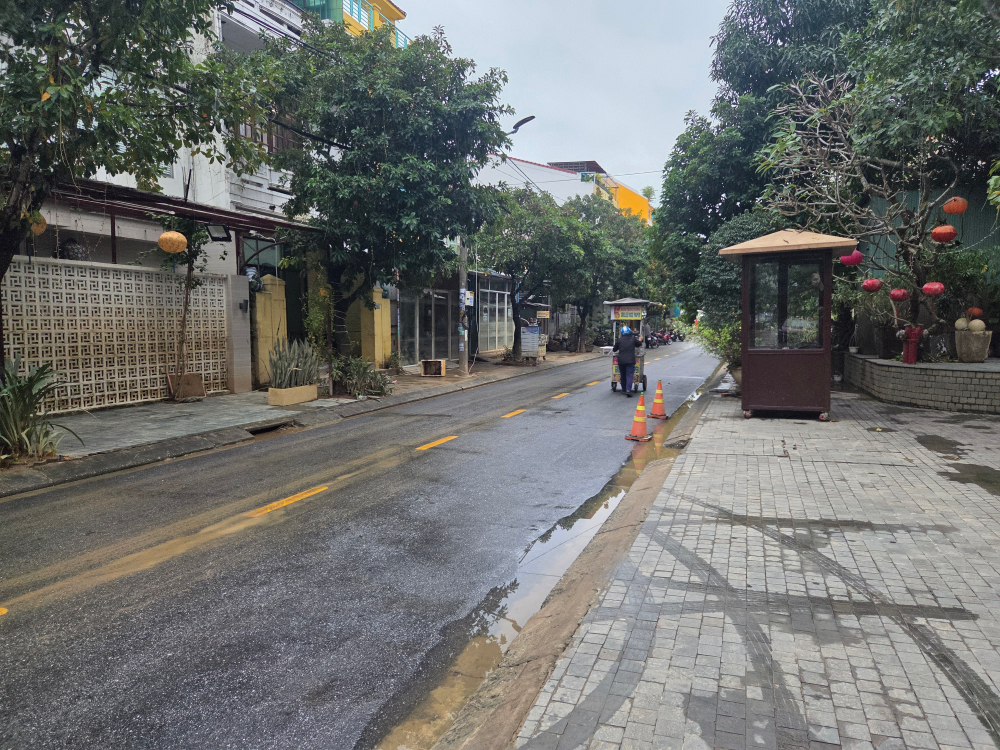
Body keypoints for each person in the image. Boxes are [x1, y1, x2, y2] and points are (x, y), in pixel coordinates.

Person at [613, 326, 639, 397]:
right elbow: (639, 344)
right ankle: (628, 390)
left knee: (623, 375)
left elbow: (614, 349)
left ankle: (624, 389)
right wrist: (639, 339)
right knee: (629, 375)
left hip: (621, 361)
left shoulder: (619, 340)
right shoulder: (633, 339)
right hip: (630, 361)